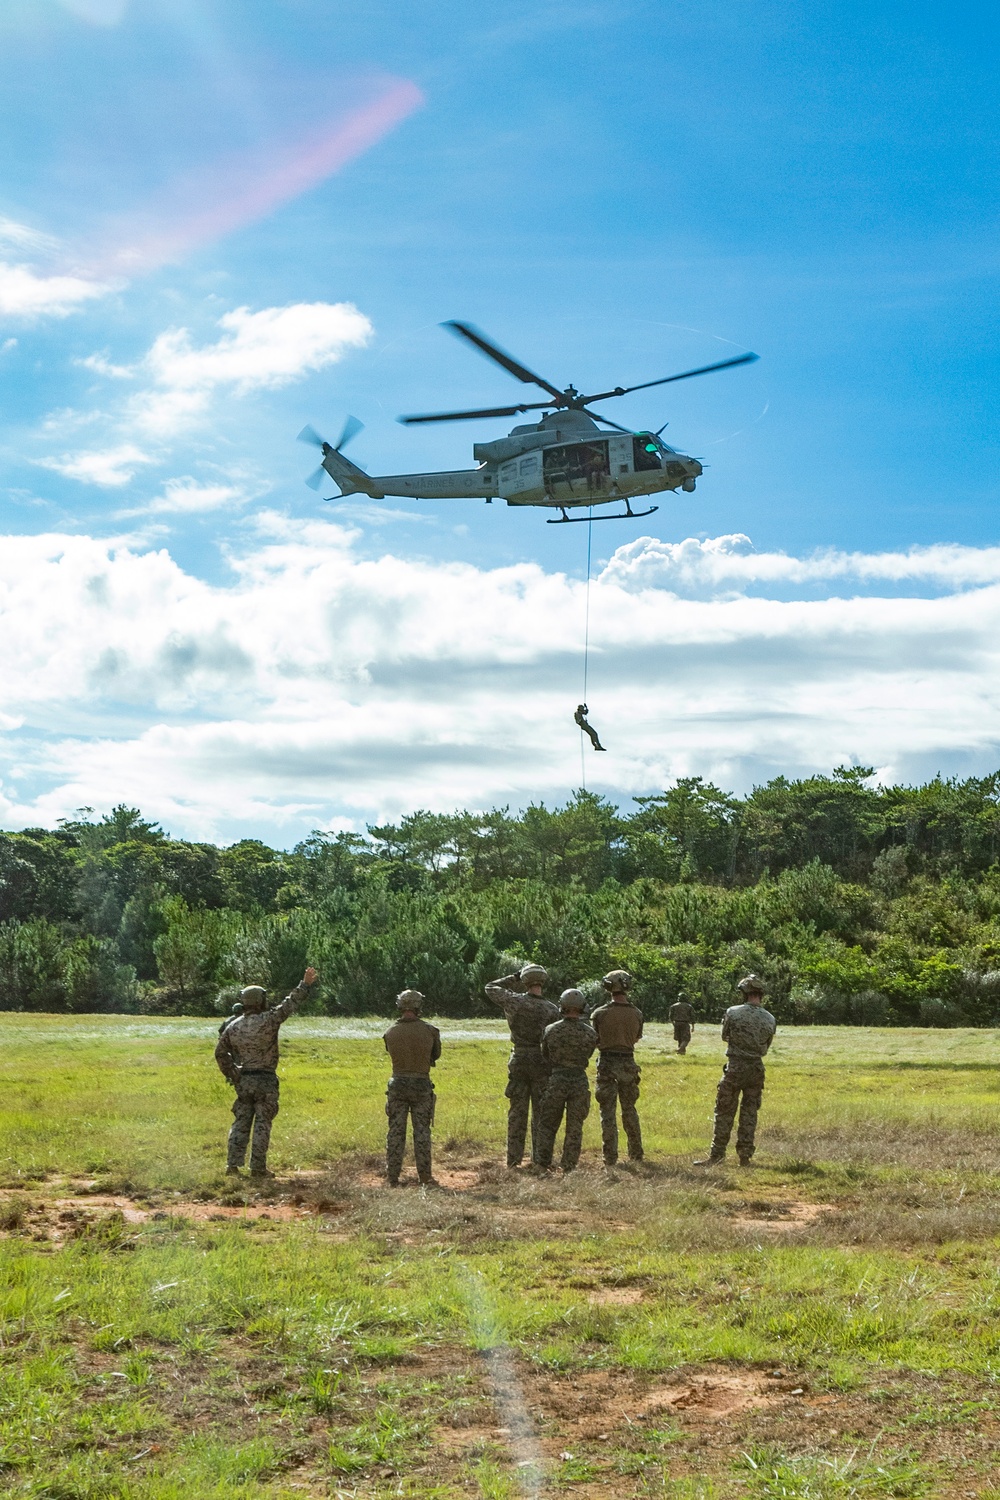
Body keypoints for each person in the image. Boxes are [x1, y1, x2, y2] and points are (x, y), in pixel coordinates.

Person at [214, 967, 318, 1179]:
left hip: (244, 1080)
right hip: (266, 1081)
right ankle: (258, 1168)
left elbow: (220, 1053)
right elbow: (290, 1004)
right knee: (262, 1124)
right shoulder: (269, 1020)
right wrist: (305, 984)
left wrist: (233, 1074)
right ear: (260, 1001)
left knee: (240, 1123)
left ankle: (232, 1166)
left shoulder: (232, 1027)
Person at [694, 974, 776, 1168]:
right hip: (756, 1068)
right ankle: (745, 1156)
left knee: (724, 1111)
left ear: (744, 992)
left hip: (735, 1066)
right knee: (749, 1113)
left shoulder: (733, 1012)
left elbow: (725, 1036)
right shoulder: (770, 1018)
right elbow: (767, 1044)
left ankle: (717, 1155)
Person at [485, 965, 561, 1168]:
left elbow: (490, 987)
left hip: (519, 1058)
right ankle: (540, 1160)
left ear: (525, 981)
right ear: (543, 982)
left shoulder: (513, 1001)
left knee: (517, 1113)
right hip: (541, 1061)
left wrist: (514, 977)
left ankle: (513, 1160)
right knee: (540, 1113)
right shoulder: (552, 1009)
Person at [534, 989, 598, 1173]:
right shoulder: (590, 1033)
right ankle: (569, 1166)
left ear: (561, 1006)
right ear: (582, 1007)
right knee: (575, 1126)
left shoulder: (551, 1030)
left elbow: (545, 1055)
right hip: (579, 1079)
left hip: (557, 1079)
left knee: (548, 1123)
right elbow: (589, 1054)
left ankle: (542, 1163)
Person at [383, 989, 442, 1187]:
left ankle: (392, 1178)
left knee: (395, 1132)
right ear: (418, 1006)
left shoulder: (390, 1032)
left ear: (399, 1005)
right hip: (421, 1085)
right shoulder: (431, 1031)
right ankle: (425, 1177)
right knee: (422, 1132)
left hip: (397, 1084)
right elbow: (436, 1055)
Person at [589, 970, 644, 1169]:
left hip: (607, 1063)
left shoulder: (599, 1014)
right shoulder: (637, 1013)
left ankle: (610, 1157)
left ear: (608, 986)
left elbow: (594, 1039)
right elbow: (637, 1037)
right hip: (629, 1063)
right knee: (630, 1110)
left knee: (608, 1113)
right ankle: (636, 1154)